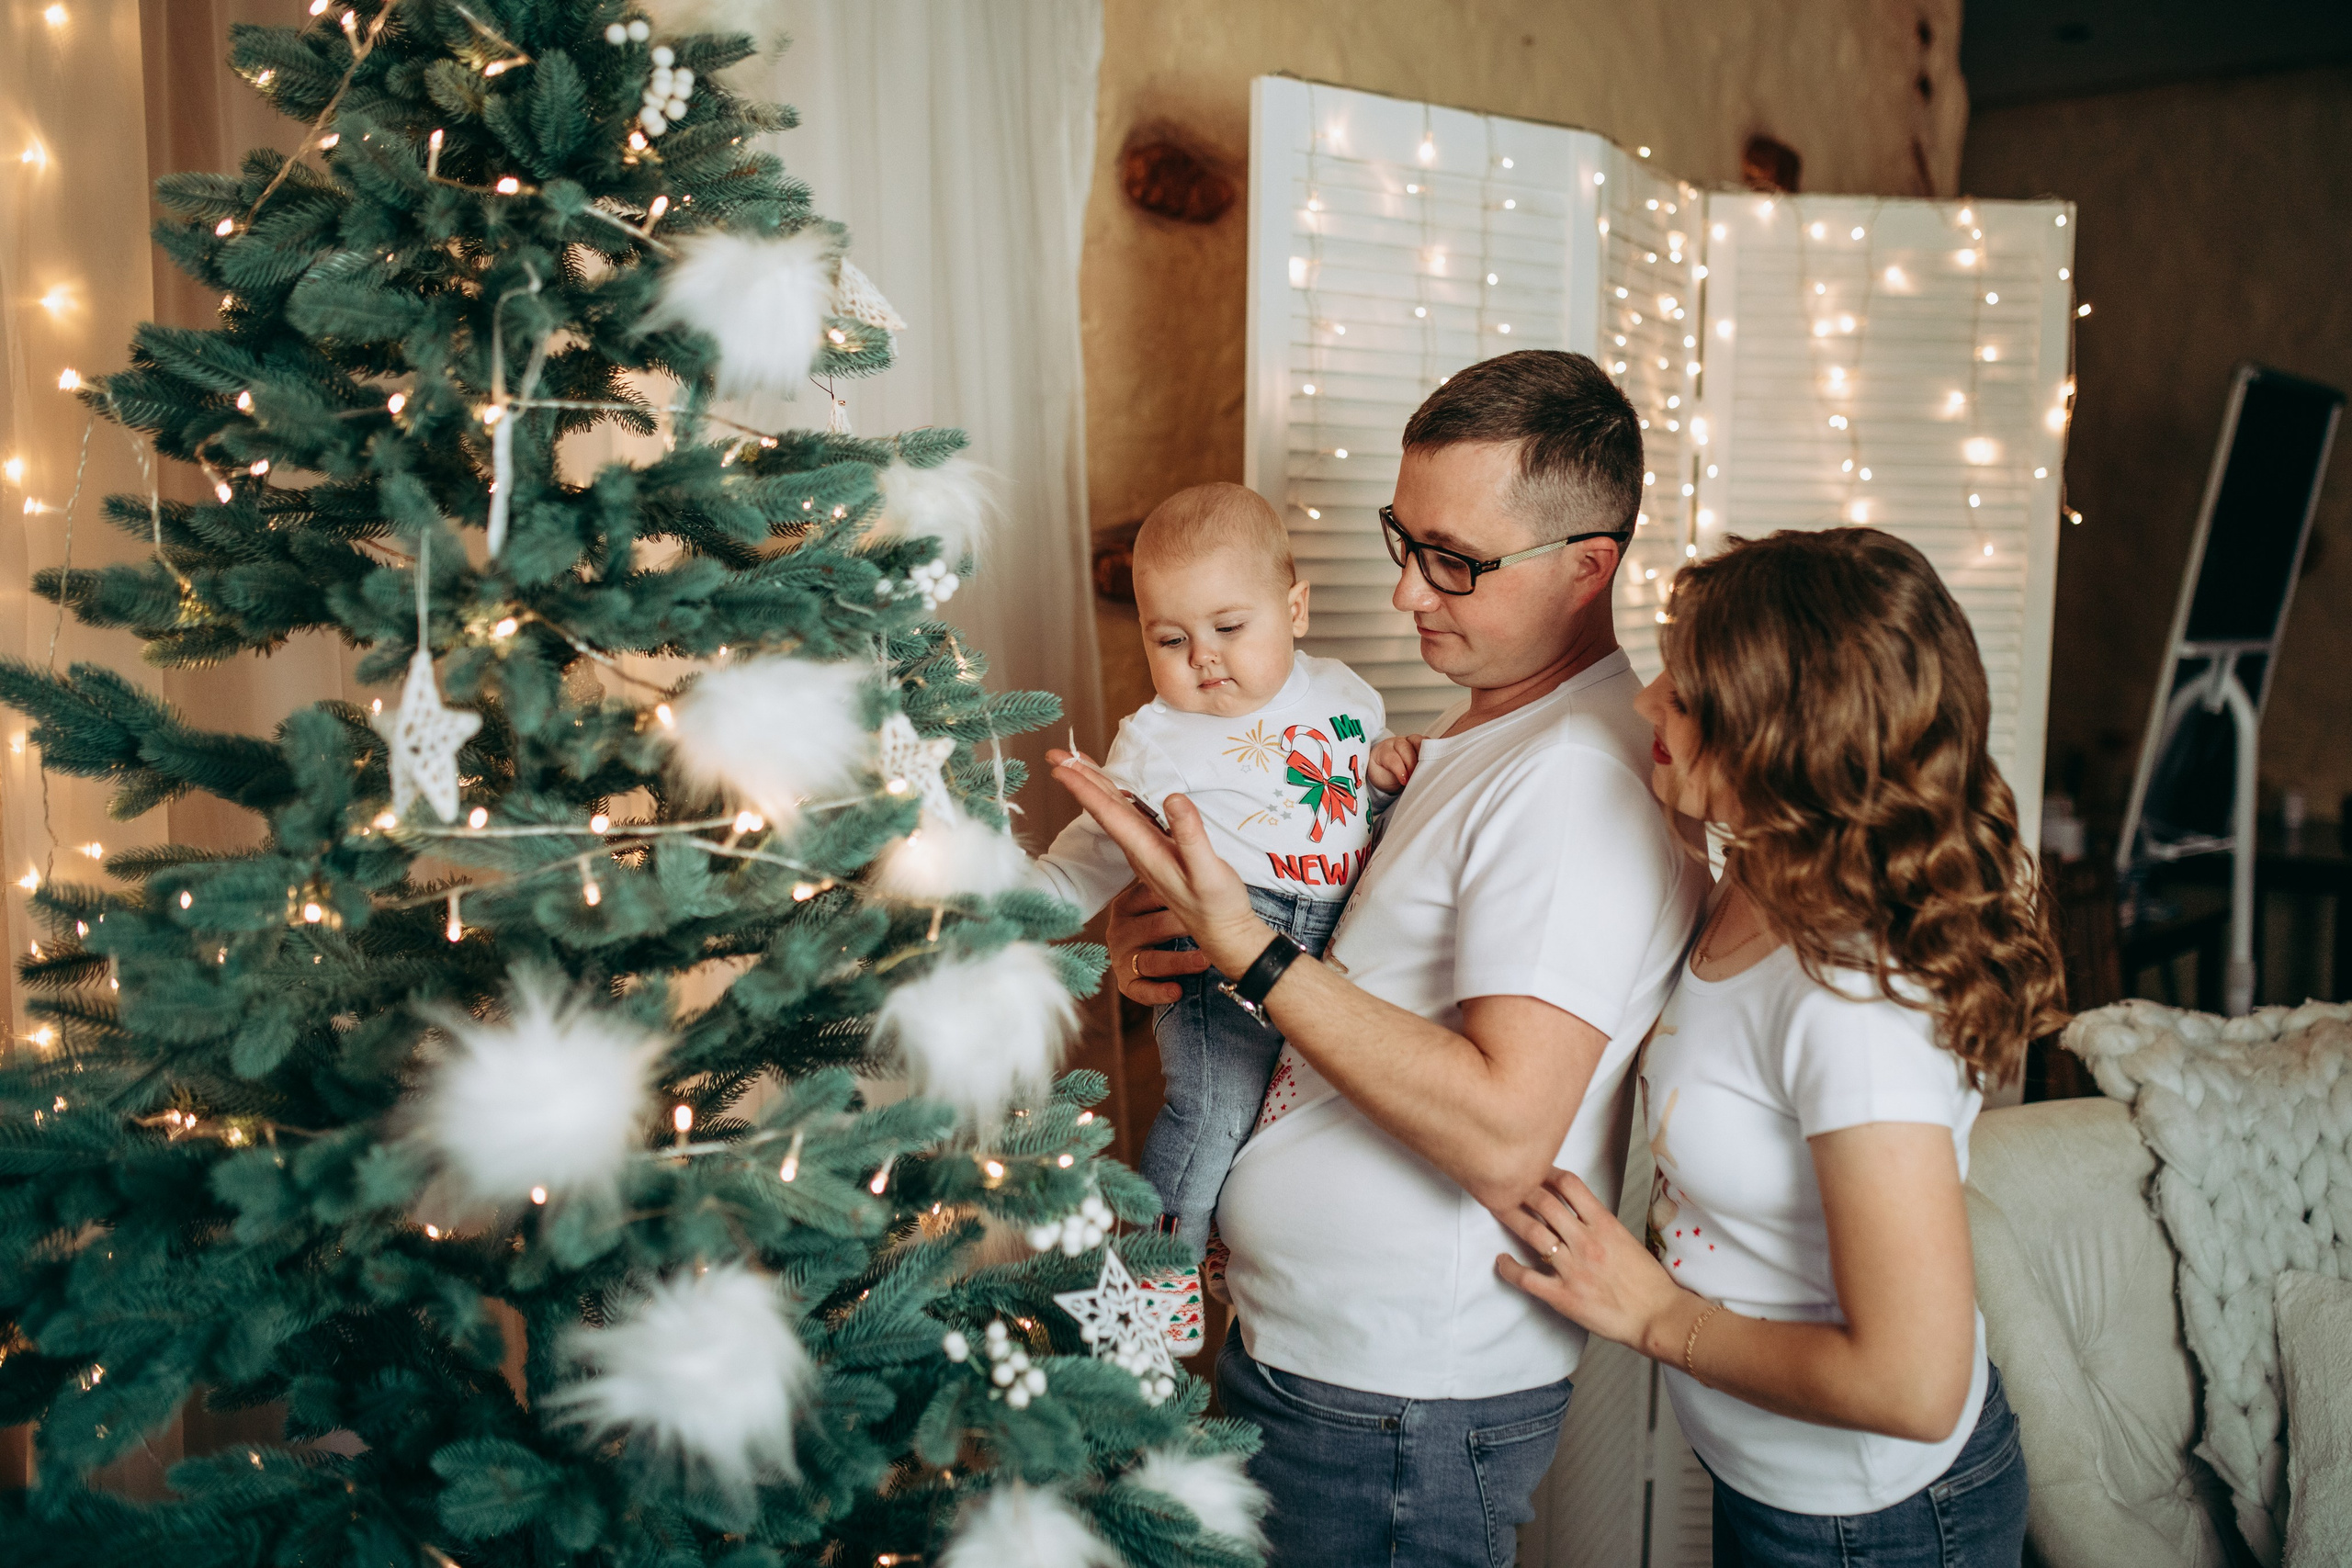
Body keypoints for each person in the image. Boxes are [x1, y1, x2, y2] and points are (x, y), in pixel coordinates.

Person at [1053, 350, 1709, 1568]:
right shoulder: (1476, 734)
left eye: (1452, 559)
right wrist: (1183, 947)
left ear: (1586, 567)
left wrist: (1247, 951)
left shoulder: (1570, 783)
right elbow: (1353, 978)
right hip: (1328, 1364)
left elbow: (1506, 1128)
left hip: (1397, 1407)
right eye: (1403, 539)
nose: (1406, 591)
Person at [1489, 528, 2065, 1568]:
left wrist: (1657, 1317)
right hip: (1770, 1480)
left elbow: (1915, 1386)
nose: (1645, 702)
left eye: (1686, 695)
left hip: (1877, 1525)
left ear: (1786, 743)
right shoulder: (1763, 868)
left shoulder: (1857, 1009)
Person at [1029, 481, 1404, 1249]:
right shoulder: (1157, 740)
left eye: (1229, 627)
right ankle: (1158, 1267)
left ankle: (1241, 1250)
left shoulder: (1347, 693)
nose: (1203, 657)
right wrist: (1018, 903)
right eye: (1170, 640)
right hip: (1219, 950)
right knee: (1214, 1112)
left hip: (1336, 942)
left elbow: (1346, 801)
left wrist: (1381, 773)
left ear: (1294, 609)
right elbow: (1096, 850)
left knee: (1298, 1121)